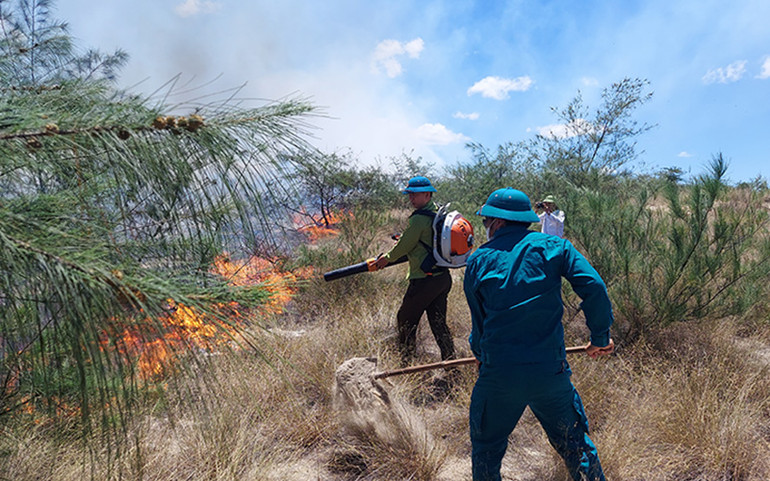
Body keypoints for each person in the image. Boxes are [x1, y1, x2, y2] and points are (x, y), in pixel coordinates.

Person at [463, 187, 615, 481]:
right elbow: (594, 286)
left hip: (499, 375)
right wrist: (600, 337)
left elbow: (478, 323)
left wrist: (480, 355)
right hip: (550, 373)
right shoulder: (555, 247)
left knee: (486, 450)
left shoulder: (478, 260)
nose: (486, 228)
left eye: (486, 222)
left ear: (498, 222)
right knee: (576, 447)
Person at [373, 176, 456, 365]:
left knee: (405, 320)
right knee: (438, 324)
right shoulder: (438, 213)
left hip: (424, 280)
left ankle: (406, 364)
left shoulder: (419, 219)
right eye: (409, 195)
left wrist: (385, 259)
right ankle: (451, 364)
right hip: (441, 278)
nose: (411, 199)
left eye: (415, 195)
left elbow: (405, 245)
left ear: (427, 194)